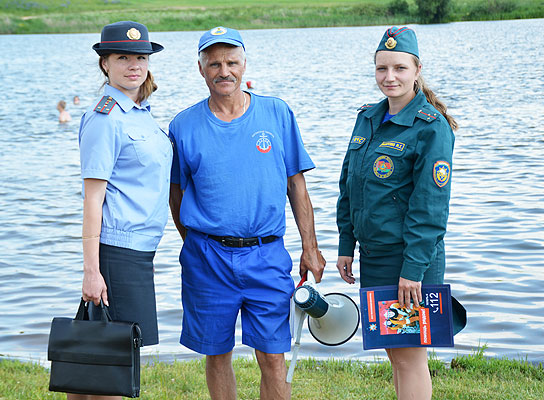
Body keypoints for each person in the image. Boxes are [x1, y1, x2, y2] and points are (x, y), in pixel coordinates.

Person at [169, 26, 325, 400]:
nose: (224, 71)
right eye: (214, 63)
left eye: (232, 62)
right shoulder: (182, 126)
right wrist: (195, 244)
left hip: (266, 254)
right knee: (216, 354)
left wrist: (310, 247)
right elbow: (175, 196)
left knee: (274, 357)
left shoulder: (277, 113)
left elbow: (297, 186)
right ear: (201, 68)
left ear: (244, 64)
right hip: (207, 257)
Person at [336, 26, 458, 400]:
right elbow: (349, 185)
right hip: (375, 256)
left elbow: (431, 209)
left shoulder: (430, 128)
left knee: (409, 357)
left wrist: (413, 271)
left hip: (408, 262)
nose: (390, 77)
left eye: (400, 68)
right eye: (381, 69)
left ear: (417, 69)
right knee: (395, 353)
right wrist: (346, 244)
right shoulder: (369, 119)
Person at [73, 20, 171, 400]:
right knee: (115, 365)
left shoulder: (140, 113)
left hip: (137, 252)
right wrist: (92, 271)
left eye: (140, 57)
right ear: (105, 64)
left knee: (100, 357)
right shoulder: (105, 118)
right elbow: (92, 200)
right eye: (123, 57)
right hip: (118, 251)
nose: (134, 64)